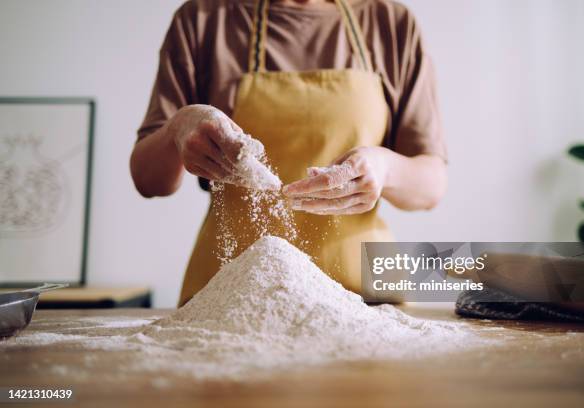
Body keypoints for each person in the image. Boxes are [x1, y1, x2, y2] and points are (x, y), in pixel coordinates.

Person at [130, 0, 448, 306]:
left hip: (365, 300)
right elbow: (148, 181)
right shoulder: (203, 19)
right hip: (231, 298)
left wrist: (384, 169)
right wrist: (178, 128)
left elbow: (431, 185)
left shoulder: (390, 23)